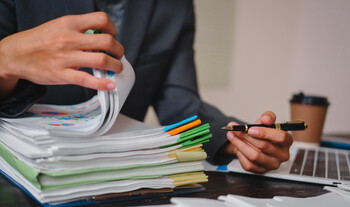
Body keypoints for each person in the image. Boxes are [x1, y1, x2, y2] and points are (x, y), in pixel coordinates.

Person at [0, 0, 292, 173]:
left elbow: (181, 104)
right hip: (18, 172)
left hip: (123, 178)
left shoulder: (173, 6)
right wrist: (6, 59)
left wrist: (239, 140)